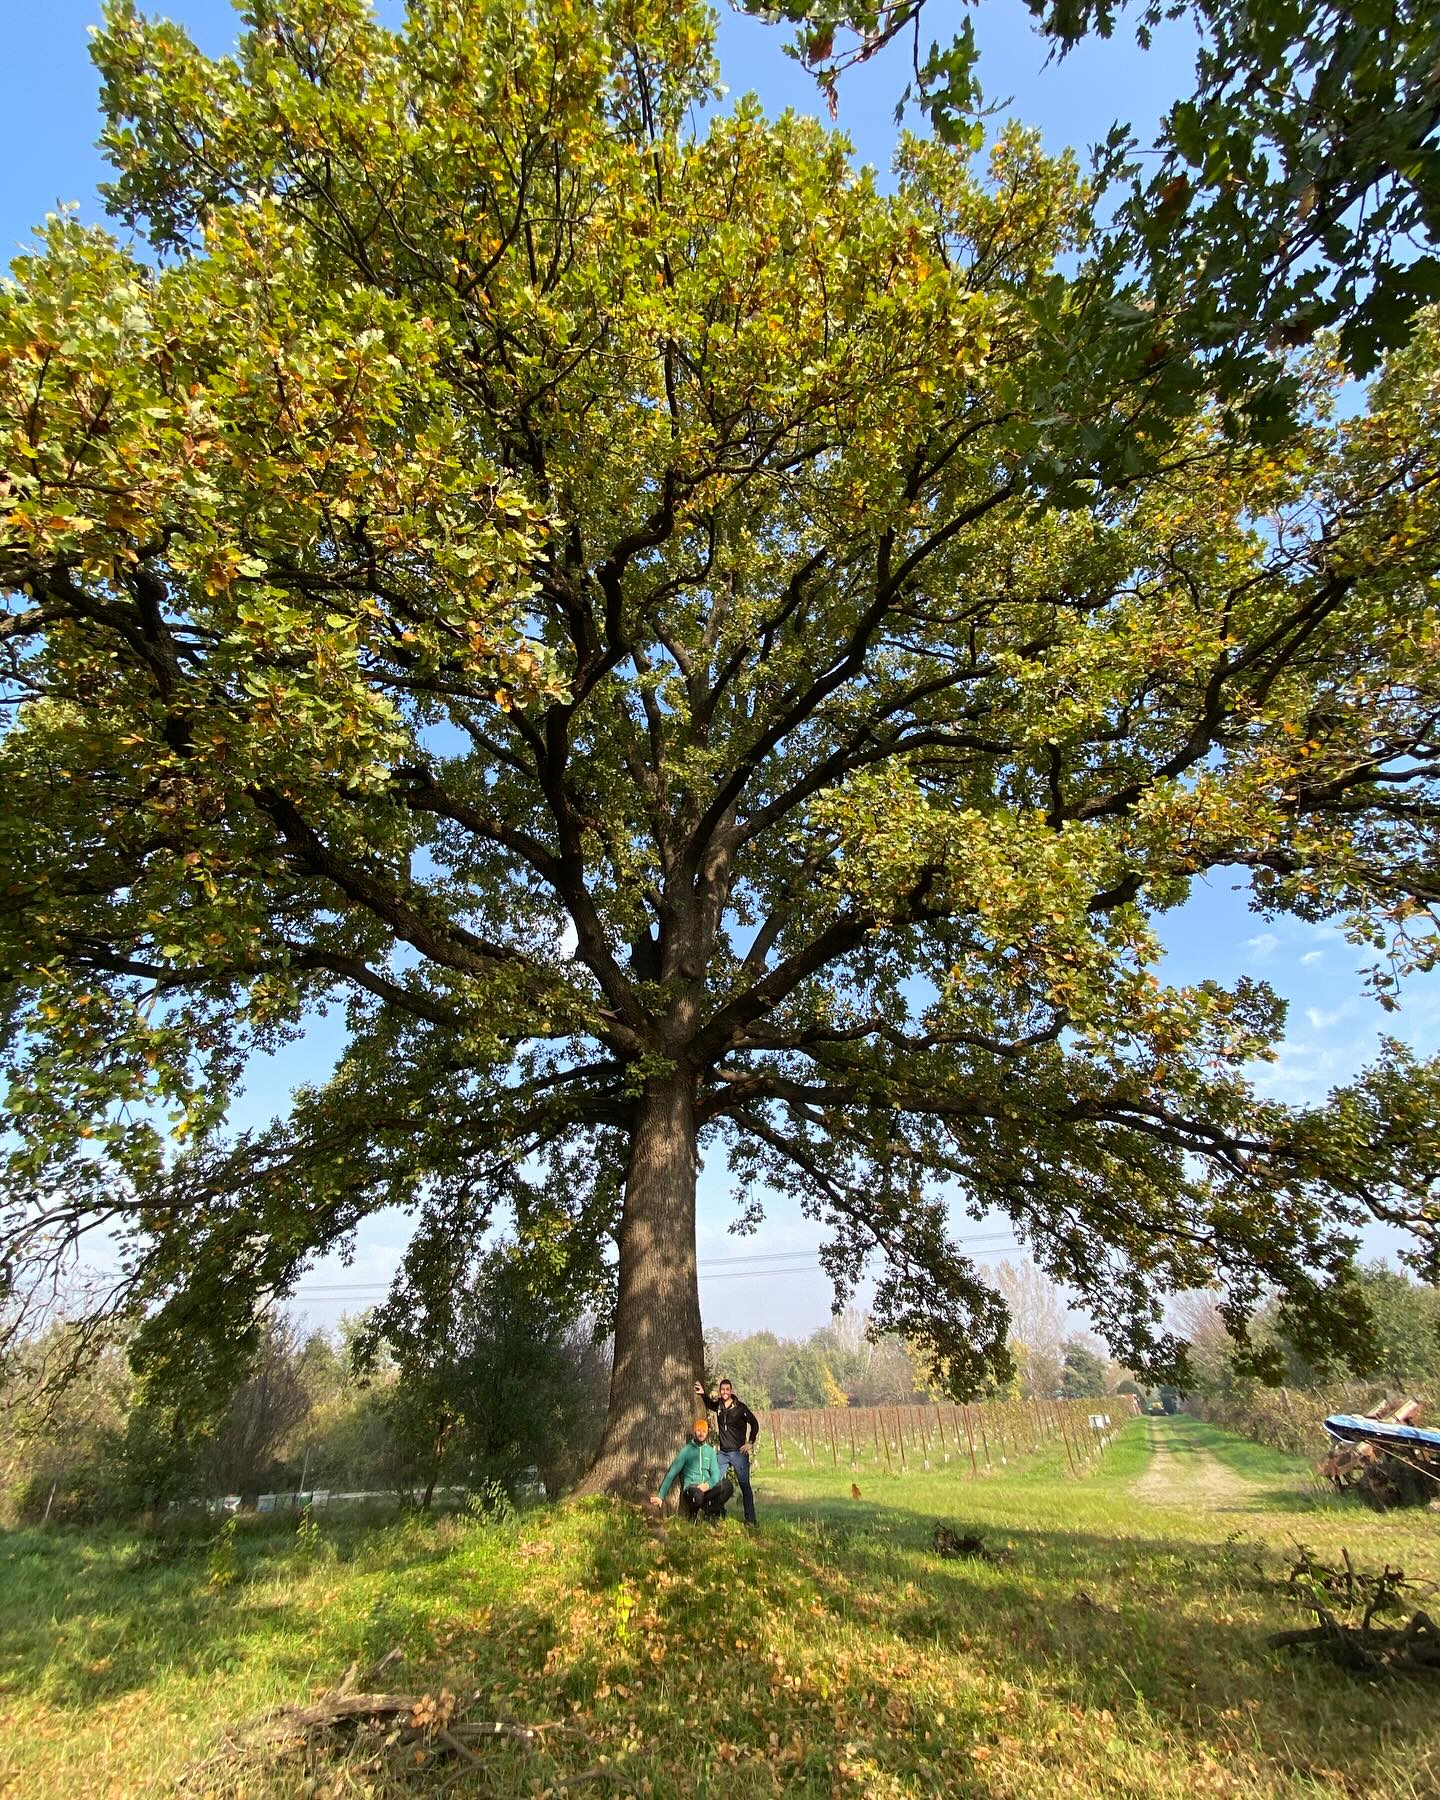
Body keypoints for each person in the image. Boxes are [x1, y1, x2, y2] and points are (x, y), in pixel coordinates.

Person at [696, 1376, 760, 1526]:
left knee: (744, 1485)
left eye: (727, 1390)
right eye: (722, 1390)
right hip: (723, 1454)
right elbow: (709, 1404)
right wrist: (702, 1393)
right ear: (720, 1391)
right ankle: (715, 1511)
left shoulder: (740, 1408)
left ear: (731, 1391)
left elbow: (754, 1423)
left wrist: (750, 1442)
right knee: (714, 1481)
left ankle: (750, 1519)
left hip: (739, 1453)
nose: (724, 1392)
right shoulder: (718, 1406)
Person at [651, 1416, 734, 1521]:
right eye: (698, 1431)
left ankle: (710, 1510)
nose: (701, 1434)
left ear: (707, 1433)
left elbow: (716, 1474)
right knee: (698, 1495)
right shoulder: (686, 1450)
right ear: (694, 1432)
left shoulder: (710, 1451)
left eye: (704, 1431)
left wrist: (708, 1485)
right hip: (692, 1488)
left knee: (728, 1486)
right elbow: (672, 1472)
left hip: (706, 1487)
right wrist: (660, 1496)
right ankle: (693, 1515)